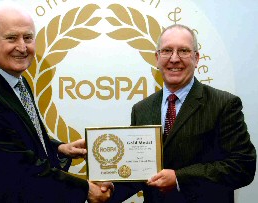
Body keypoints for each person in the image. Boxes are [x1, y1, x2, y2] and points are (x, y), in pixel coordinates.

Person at [0, 1, 112, 202]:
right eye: (12, 38)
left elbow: (19, 138)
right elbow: (20, 169)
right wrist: (85, 190)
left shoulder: (16, 81)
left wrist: (59, 149)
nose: (22, 47)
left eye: (28, 37)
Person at [109, 24, 256, 203]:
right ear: (157, 58)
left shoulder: (223, 104)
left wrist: (179, 178)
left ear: (196, 58)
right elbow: (140, 170)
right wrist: (106, 192)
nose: (174, 58)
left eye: (184, 51)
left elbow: (242, 167)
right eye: (167, 50)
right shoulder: (141, 109)